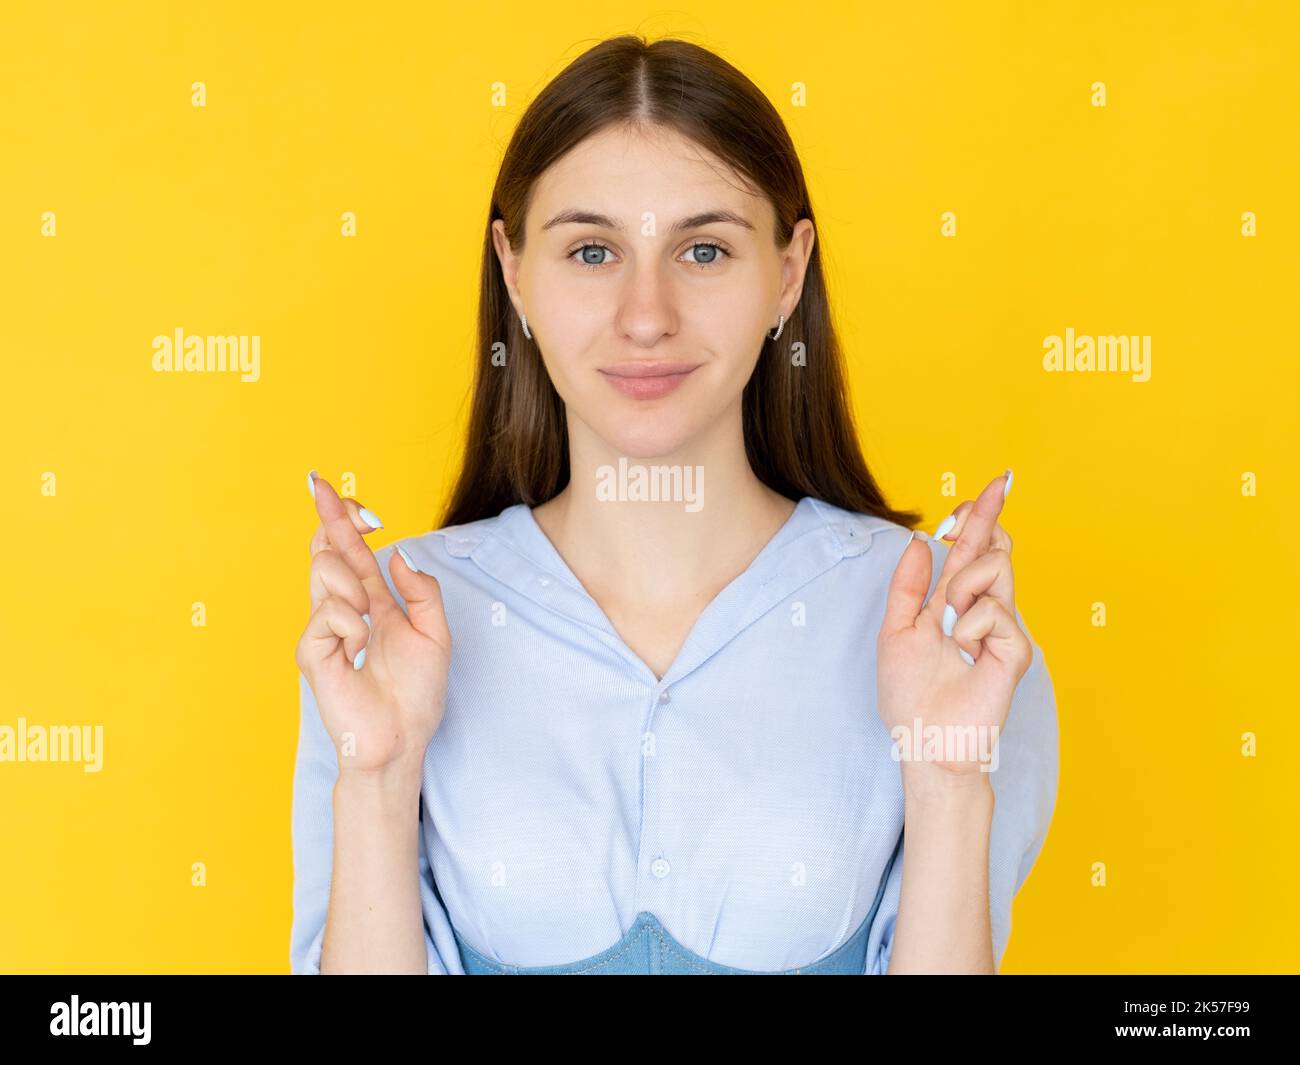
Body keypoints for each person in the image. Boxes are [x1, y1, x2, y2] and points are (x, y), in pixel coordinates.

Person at [290, 34, 1058, 975]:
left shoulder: (948, 628)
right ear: (514, 272)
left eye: (702, 249)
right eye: (591, 250)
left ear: (788, 271)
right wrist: (377, 775)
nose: (646, 314)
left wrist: (947, 780)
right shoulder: (396, 621)